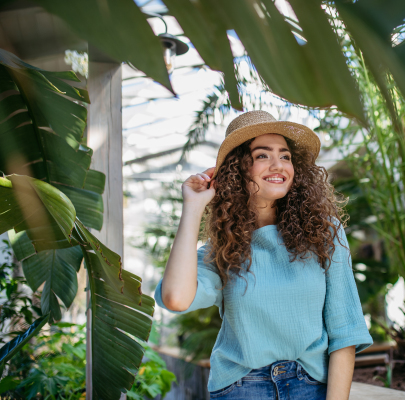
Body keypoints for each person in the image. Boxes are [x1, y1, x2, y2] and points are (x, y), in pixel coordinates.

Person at [154, 110, 373, 400]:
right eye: (262, 155)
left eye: (285, 156)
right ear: (238, 168)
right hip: (242, 386)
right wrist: (193, 208)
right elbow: (175, 298)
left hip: (311, 385)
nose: (278, 165)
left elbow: (345, 332)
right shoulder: (222, 249)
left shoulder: (324, 233)